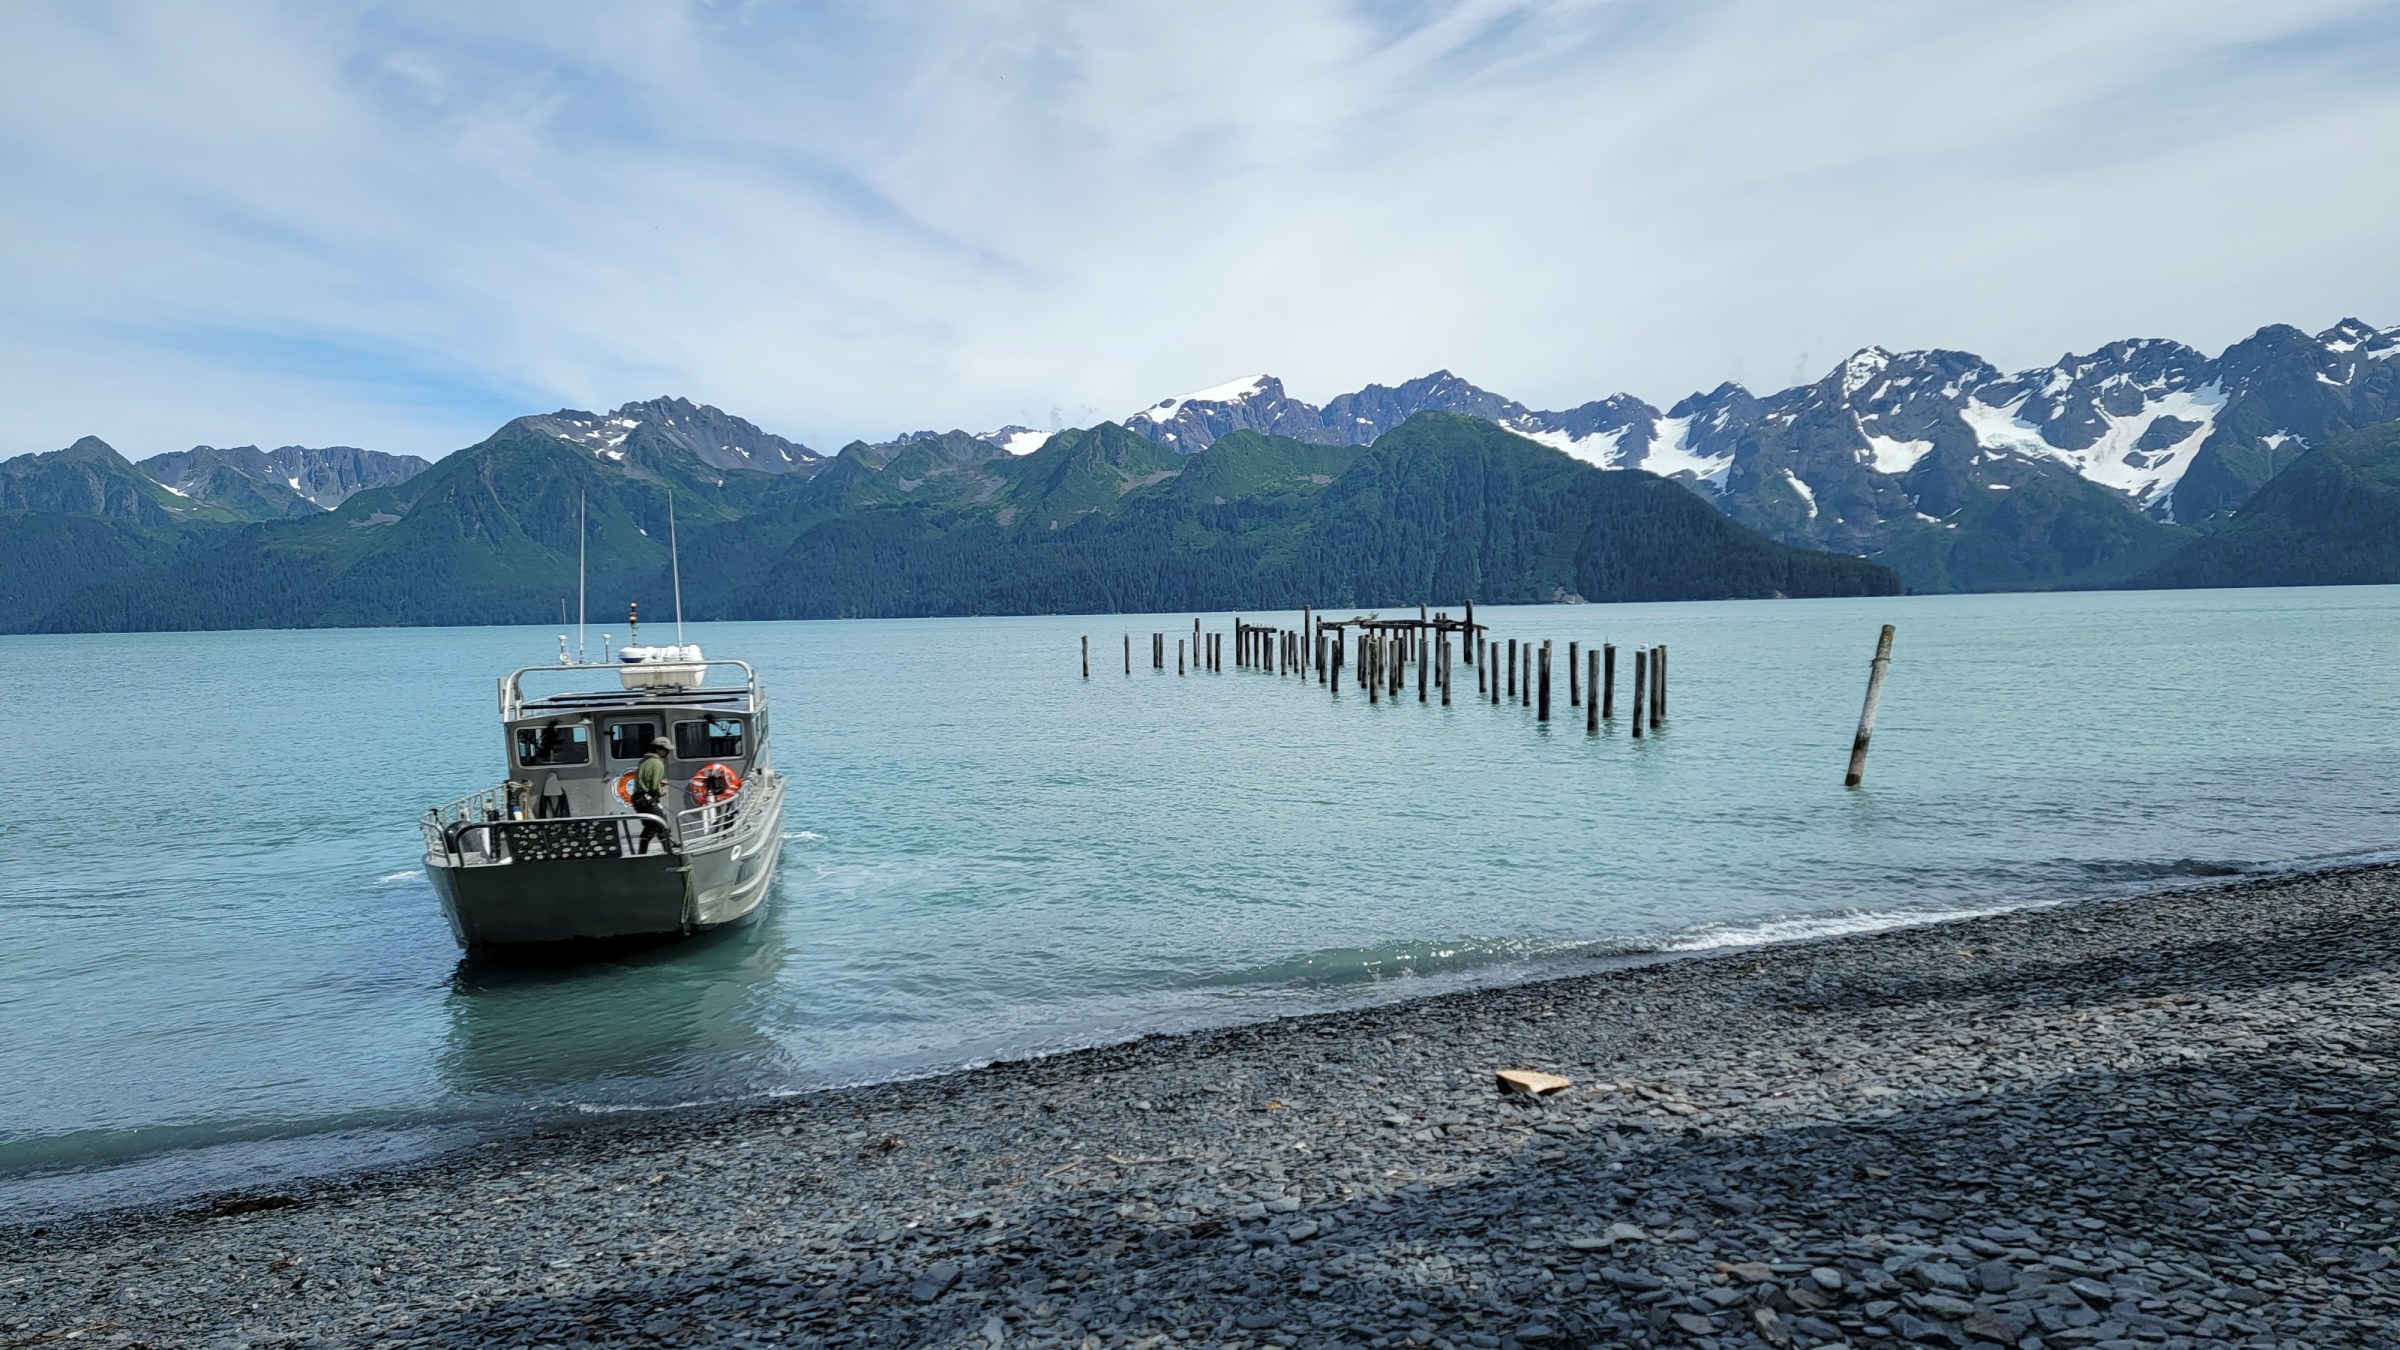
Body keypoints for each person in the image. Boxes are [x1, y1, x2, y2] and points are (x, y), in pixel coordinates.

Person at [630, 736, 672, 854]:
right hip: (646, 798)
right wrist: (663, 789)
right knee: (662, 825)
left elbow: (645, 780)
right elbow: (653, 788)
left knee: (650, 827)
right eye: (666, 750)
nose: (667, 753)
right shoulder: (657, 763)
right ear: (658, 749)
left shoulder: (644, 761)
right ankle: (670, 853)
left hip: (637, 799)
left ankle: (641, 854)